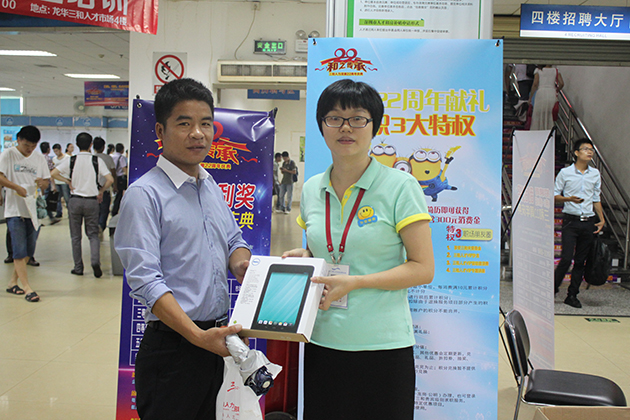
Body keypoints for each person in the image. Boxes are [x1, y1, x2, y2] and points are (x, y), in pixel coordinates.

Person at [282, 79, 435, 419]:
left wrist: (357, 283)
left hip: (383, 345)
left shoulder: (400, 186)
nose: (346, 127)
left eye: (357, 118)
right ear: (322, 125)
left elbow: (423, 268)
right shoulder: (312, 189)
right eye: (334, 118)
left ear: (374, 126)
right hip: (322, 341)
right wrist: (306, 258)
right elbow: (324, 252)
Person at [114, 78, 251, 420]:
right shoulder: (144, 195)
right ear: (161, 130)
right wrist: (197, 336)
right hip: (174, 348)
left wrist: (242, 264)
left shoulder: (210, 185)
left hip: (216, 341)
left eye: (206, 123)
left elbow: (233, 240)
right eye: (184, 123)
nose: (198, 134)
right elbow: (145, 281)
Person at [0, 125, 52, 302]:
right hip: (15, 210)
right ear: (18, 140)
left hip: (33, 210)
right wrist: (16, 187)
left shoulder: (38, 158)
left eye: (33, 146)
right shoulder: (8, 155)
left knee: (29, 250)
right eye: (26, 145)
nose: (30, 149)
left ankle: (12, 283)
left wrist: (42, 183)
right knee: (19, 250)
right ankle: (27, 288)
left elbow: (46, 181)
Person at [51, 132, 113, 278]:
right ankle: (95, 262)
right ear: (91, 145)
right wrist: (101, 191)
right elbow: (110, 179)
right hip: (92, 201)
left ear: (77, 145)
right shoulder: (96, 160)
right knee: (93, 235)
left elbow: (53, 173)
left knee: (75, 236)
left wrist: (67, 181)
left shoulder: (71, 160)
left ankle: (78, 267)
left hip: (75, 200)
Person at [554, 138, 605, 308]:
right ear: (576, 153)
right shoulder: (565, 173)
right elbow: (554, 195)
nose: (589, 152)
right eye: (585, 149)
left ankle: (572, 295)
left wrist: (601, 219)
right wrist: (568, 199)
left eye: (591, 150)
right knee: (566, 258)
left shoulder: (595, 174)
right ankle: (552, 288)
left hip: (588, 222)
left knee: (581, 261)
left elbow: (596, 198)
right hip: (571, 221)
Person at [93, 136, 117, 233]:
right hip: (105, 189)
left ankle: (95, 227)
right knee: (104, 210)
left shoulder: (91, 158)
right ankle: (101, 226)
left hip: (92, 190)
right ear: (103, 147)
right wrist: (115, 186)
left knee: (94, 211)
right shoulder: (108, 158)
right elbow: (113, 173)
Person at [529, 64, 564, 131]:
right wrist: (557, 89)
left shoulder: (538, 70)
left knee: (538, 113)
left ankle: (538, 130)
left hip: (541, 93)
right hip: (552, 92)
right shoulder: (556, 70)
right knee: (549, 114)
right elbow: (562, 83)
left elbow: (535, 84)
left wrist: (530, 97)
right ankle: (549, 130)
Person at [39, 141, 60, 226]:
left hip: (38, 182)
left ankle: (43, 219)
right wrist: (53, 185)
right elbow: (51, 173)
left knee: (40, 200)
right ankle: (51, 218)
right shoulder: (48, 159)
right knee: (47, 201)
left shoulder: (38, 158)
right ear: (48, 149)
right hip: (46, 182)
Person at [52, 143, 71, 218]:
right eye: (54, 151)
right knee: (57, 198)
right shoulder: (54, 159)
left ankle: (70, 212)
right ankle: (59, 212)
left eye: (57, 151)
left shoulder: (67, 157)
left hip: (64, 180)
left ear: (60, 149)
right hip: (57, 181)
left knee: (67, 198)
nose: (56, 152)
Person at [110, 143, 128, 216]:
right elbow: (124, 168)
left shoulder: (112, 157)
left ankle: (113, 210)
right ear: (122, 150)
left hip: (113, 177)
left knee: (116, 195)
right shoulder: (121, 158)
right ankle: (115, 210)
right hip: (120, 178)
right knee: (119, 195)